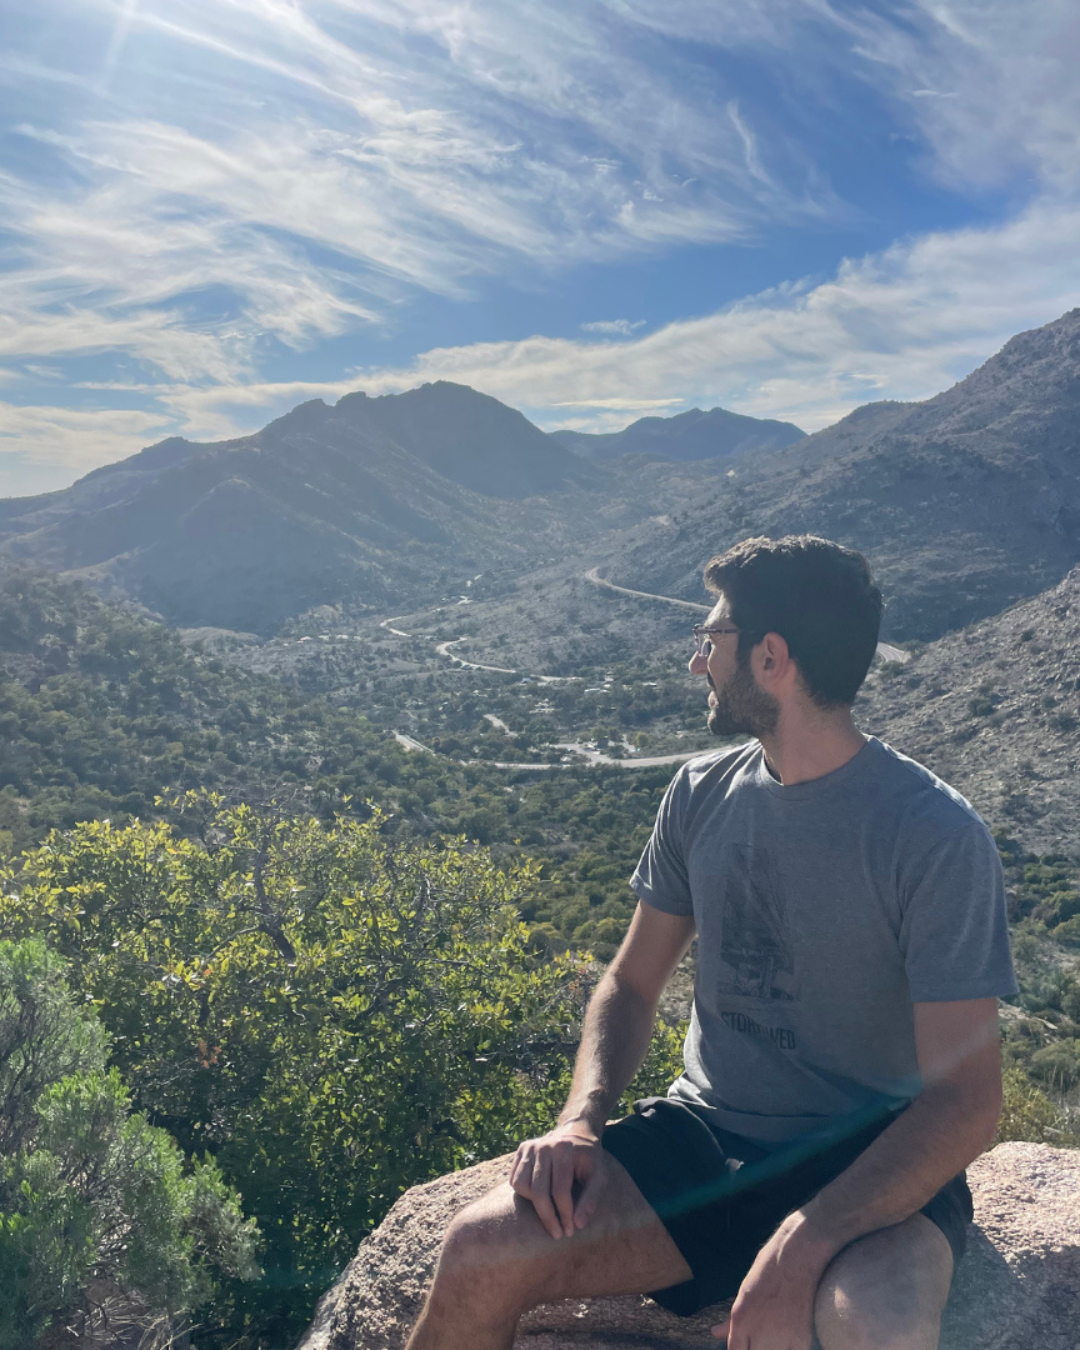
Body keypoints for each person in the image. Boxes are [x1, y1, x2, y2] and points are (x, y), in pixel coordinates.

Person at [405, 534, 1016, 1350]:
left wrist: (804, 1242)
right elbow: (631, 984)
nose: (698, 662)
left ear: (770, 658)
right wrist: (581, 1119)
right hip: (705, 1142)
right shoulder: (700, 794)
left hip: (872, 1164)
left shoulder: (933, 834)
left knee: (875, 1325)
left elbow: (965, 1101)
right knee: (477, 1251)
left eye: (710, 640)